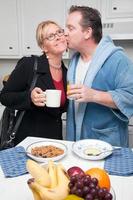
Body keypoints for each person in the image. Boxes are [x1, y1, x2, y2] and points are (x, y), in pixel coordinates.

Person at [65, 5, 133, 147]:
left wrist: (94, 95)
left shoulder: (118, 59)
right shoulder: (75, 60)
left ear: (87, 32)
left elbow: (130, 97)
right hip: (76, 143)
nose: (65, 33)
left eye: (70, 28)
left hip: (105, 143)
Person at [0, 20, 68, 145]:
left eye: (59, 32)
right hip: (29, 140)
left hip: (55, 140)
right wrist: (30, 97)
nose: (58, 36)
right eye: (51, 36)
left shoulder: (67, 72)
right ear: (43, 47)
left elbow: (61, 107)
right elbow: (4, 97)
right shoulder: (29, 64)